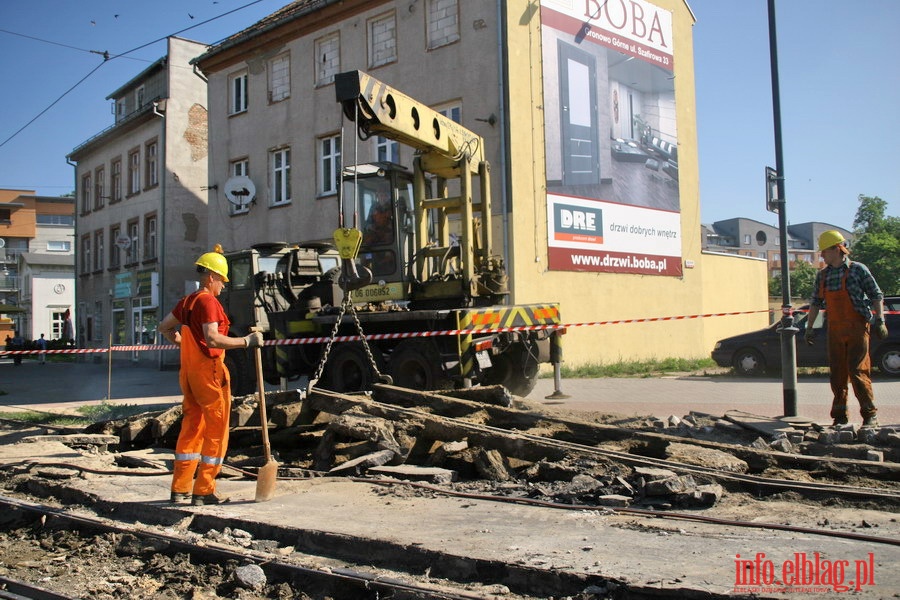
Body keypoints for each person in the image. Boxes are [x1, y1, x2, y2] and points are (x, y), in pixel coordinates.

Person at [158, 244, 264, 506]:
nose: (224, 287)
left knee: (191, 428)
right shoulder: (208, 301)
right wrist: (247, 342)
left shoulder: (188, 301)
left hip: (190, 376)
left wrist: (182, 341)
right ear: (212, 277)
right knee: (216, 431)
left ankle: (181, 488)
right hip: (209, 374)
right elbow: (213, 338)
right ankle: (204, 490)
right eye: (222, 281)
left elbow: (164, 327)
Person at [804, 230, 888, 428]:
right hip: (835, 329)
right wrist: (809, 327)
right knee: (838, 373)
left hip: (857, 327)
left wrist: (880, 320)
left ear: (836, 249)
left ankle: (870, 415)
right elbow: (815, 303)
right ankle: (840, 417)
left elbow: (876, 295)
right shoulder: (823, 276)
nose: (821, 255)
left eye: (824, 251)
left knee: (857, 371)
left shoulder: (858, 270)